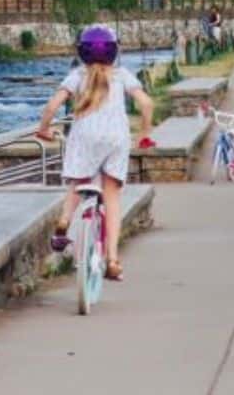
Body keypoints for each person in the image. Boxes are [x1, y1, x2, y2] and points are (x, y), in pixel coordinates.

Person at [35, 24, 153, 281]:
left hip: (84, 137)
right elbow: (146, 103)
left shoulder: (77, 76)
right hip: (116, 140)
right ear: (114, 51)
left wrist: (43, 129)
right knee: (111, 198)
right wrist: (144, 135)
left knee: (78, 181)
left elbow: (52, 105)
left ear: (82, 52)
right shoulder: (122, 76)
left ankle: (65, 221)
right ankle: (112, 259)